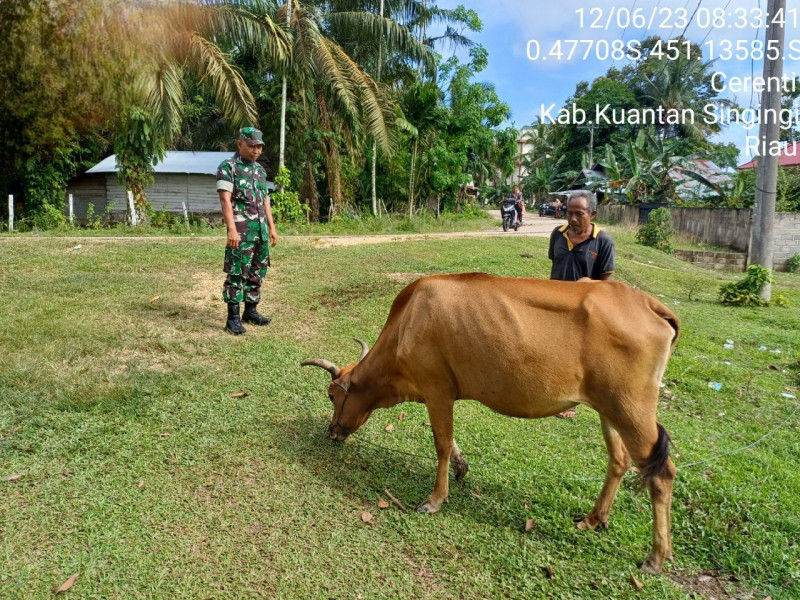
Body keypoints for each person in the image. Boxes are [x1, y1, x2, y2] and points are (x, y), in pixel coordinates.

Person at [547, 190, 615, 417]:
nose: (573, 219)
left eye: (579, 214)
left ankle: (571, 402)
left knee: (577, 354)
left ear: (592, 213)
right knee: (555, 349)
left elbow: (604, 283)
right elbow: (555, 264)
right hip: (555, 304)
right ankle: (553, 392)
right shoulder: (558, 234)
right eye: (569, 213)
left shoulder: (602, 241)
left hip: (584, 309)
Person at [216, 127, 279, 335]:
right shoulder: (229, 167)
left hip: (260, 231)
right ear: (240, 144)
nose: (256, 151)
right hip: (241, 232)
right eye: (252, 146)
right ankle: (232, 318)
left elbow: (265, 199)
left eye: (259, 146)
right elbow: (225, 199)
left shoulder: (260, 171)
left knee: (257, 272)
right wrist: (231, 230)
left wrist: (271, 226)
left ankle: (250, 311)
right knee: (237, 273)